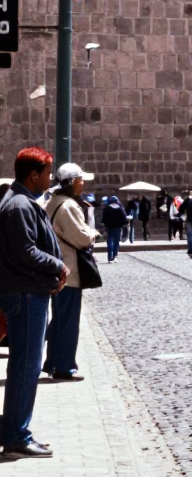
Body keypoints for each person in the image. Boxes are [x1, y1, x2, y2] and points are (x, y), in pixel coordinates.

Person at [0, 147, 69, 458]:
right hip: (25, 296)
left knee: (25, 366)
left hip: (27, 293)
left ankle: (16, 429)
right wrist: (58, 266)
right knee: (26, 367)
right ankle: (16, 435)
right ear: (33, 175)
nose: (51, 178)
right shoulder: (19, 206)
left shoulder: (21, 202)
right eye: (47, 173)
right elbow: (25, 251)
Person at [44, 163, 100, 380]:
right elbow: (82, 237)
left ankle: (53, 363)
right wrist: (93, 234)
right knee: (67, 321)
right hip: (70, 272)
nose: (83, 184)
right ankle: (64, 366)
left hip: (60, 269)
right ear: (72, 183)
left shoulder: (55, 202)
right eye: (80, 180)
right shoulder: (68, 206)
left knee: (59, 319)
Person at [102, 195, 127, 262]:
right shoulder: (120, 208)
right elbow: (124, 218)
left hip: (109, 227)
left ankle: (109, 257)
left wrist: (106, 225)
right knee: (116, 242)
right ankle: (115, 255)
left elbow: (104, 219)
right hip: (118, 228)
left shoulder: (106, 208)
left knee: (109, 242)